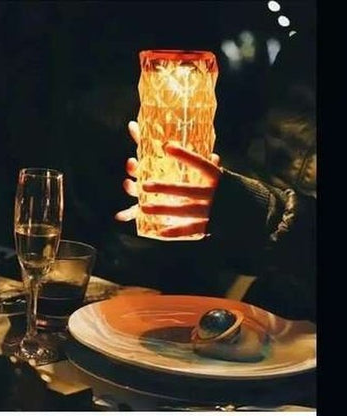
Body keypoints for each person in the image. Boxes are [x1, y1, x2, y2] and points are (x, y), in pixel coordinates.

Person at [115, 26, 316, 322]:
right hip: (268, 315)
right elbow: (263, 251)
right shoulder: (300, 55)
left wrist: (258, 211)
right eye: (296, 104)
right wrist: (211, 212)